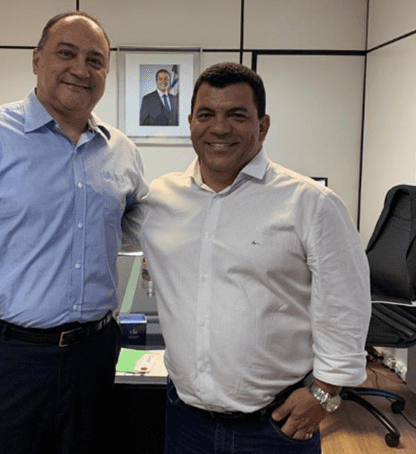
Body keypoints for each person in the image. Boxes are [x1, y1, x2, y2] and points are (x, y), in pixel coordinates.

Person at [0, 11, 147, 454]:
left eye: (95, 60)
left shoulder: (121, 152)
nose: (80, 69)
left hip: (94, 357)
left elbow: (141, 224)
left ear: (106, 73)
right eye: (66, 53)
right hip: (6, 363)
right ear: (37, 59)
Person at [140, 62, 371, 453]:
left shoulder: (311, 204)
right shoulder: (160, 199)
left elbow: (346, 305)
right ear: (190, 122)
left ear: (262, 126)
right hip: (185, 420)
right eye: (206, 115)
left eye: (237, 115)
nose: (219, 128)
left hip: (275, 426)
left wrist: (325, 393)